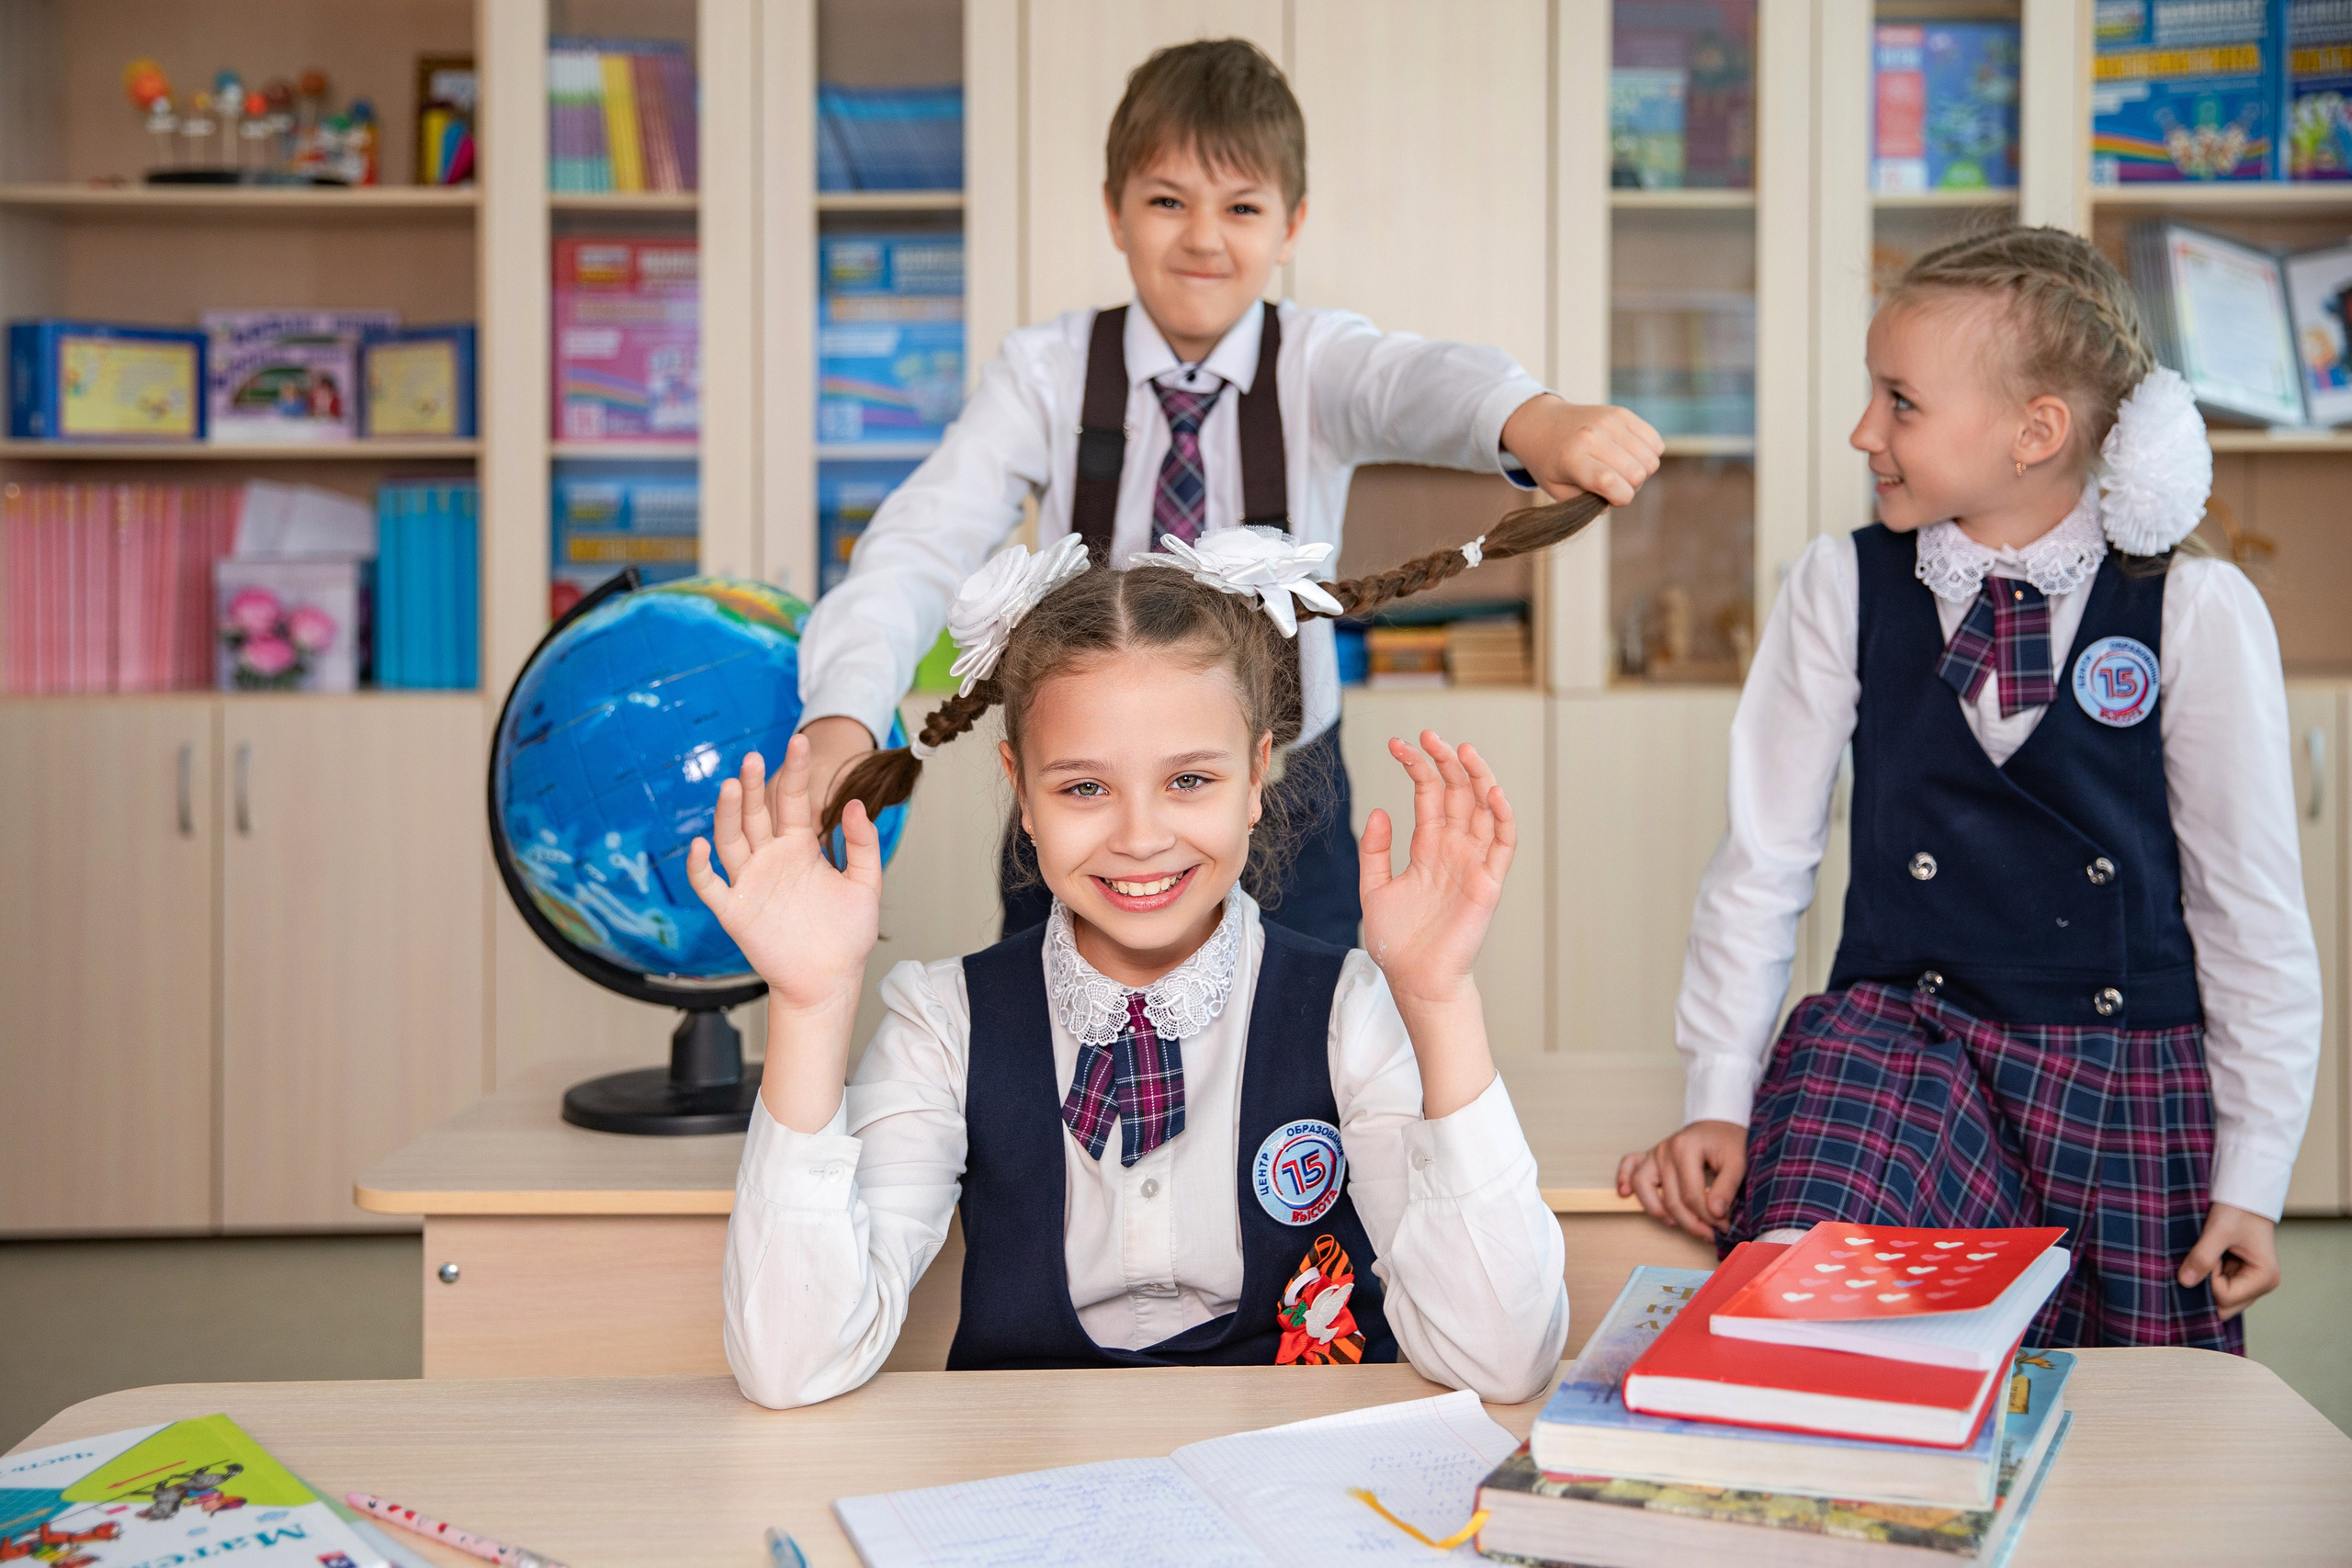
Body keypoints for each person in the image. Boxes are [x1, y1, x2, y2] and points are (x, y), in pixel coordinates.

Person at [695, 499, 1608, 1409]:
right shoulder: (943, 1023)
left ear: (1256, 777)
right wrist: (810, 1006)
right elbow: (791, 1366)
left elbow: (1502, 1360)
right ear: (1021, 792)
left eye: (1190, 780)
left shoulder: (1349, 1010)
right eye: (1084, 787)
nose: (1140, 837)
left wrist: (1439, 1000)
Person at [1615, 227, 2321, 1351]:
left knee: (2128, 1414)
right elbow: (1761, 864)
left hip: (2120, 1073)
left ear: (2035, 432)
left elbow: (2250, 914)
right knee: (1801, 1325)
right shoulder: (1838, 584)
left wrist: (2254, 1175)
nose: (1864, 431)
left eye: (1900, 402)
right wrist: (1718, 1097)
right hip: (1902, 1046)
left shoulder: (2194, 609)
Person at [789, 38, 1661, 946]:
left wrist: (1531, 417)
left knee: (1306, 1033)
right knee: (1051, 1035)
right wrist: (845, 713)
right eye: (1167, 201)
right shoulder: (1045, 373)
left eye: (1241, 207)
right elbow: (922, 542)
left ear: (1291, 225)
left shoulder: (1316, 361)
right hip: (1080, 807)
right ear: (1114, 211)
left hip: (1286, 808)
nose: (1203, 238)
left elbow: (1415, 380)